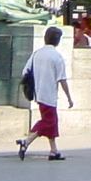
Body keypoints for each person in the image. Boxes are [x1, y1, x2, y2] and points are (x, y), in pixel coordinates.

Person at [16, 26, 73, 162]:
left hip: (38, 92)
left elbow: (25, 71)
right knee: (48, 121)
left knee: (51, 122)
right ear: (58, 41)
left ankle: (54, 151)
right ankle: (27, 142)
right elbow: (62, 79)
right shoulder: (57, 57)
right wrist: (69, 97)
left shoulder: (37, 53)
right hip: (50, 94)